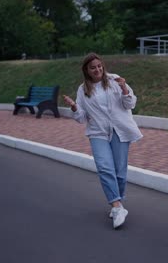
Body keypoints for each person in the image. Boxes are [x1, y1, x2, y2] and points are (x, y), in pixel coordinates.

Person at [63, 52, 143, 229]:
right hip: (98, 132)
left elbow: (130, 104)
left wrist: (124, 89)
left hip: (119, 130)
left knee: (120, 172)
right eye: (93, 68)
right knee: (104, 167)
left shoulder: (114, 80)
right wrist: (75, 107)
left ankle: (119, 204)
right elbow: (82, 118)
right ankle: (116, 205)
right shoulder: (83, 89)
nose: (97, 70)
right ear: (87, 70)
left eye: (99, 66)